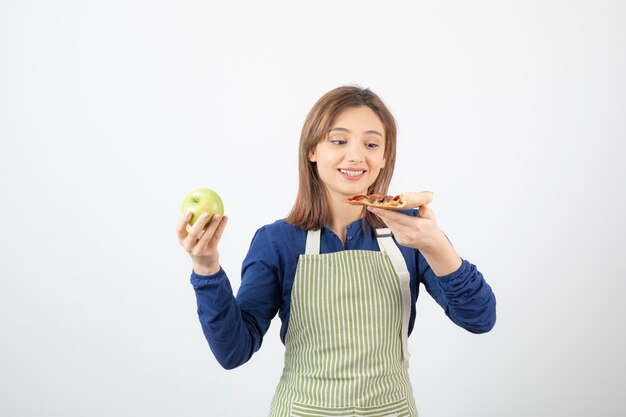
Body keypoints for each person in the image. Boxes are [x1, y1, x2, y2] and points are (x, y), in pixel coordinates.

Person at [176, 86, 497, 417]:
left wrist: (436, 246)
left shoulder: (411, 232)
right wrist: (206, 267)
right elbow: (234, 351)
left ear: (385, 156)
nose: (356, 156)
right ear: (312, 150)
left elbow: (480, 319)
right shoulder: (277, 242)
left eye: (371, 144)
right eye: (339, 141)